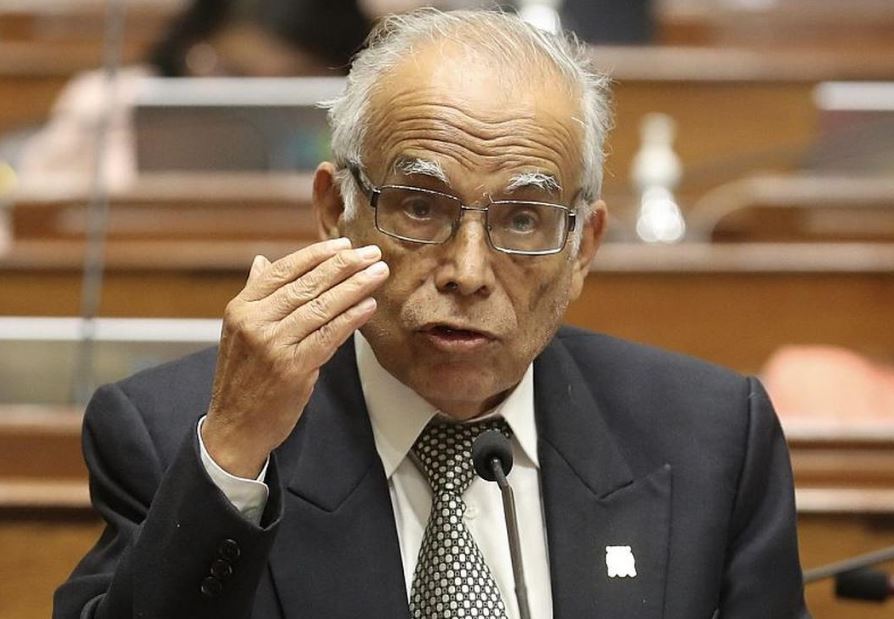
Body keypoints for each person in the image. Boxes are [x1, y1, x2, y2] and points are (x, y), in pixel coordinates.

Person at [54, 9, 809, 618]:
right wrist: (234, 454)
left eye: (523, 219)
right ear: (335, 211)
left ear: (583, 247)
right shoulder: (185, 441)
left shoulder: (710, 438)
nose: (467, 273)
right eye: (420, 207)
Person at [15, 0, 371, 192]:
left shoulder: (369, 117)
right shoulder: (104, 102)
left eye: (293, 80)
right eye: (234, 73)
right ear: (193, 43)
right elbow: (32, 217)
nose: (256, 98)